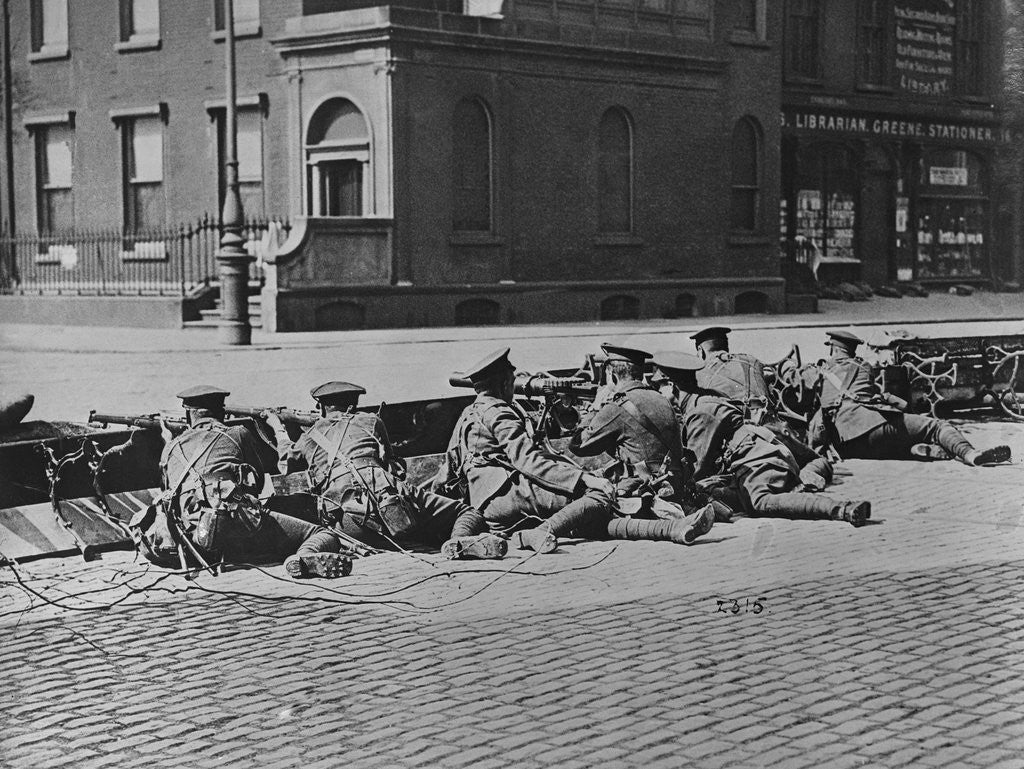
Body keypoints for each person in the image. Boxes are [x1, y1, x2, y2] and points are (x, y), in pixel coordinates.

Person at [432, 348, 715, 552]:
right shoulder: (500, 413)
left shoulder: (468, 414)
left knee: (587, 520)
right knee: (600, 496)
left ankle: (674, 529)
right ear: (505, 383)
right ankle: (538, 533)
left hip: (486, 505)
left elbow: (448, 471)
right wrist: (584, 478)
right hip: (509, 496)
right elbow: (529, 461)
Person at [268, 381, 505, 561]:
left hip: (348, 521)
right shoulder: (371, 421)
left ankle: (307, 555)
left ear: (321, 406)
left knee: (324, 534)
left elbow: (286, 464)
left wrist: (278, 428)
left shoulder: (310, 436)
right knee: (466, 512)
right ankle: (460, 542)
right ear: (354, 404)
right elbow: (391, 461)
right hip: (395, 509)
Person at [651, 352, 869, 527]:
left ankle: (842, 509)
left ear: (671, 385)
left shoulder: (702, 411)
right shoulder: (703, 401)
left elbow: (698, 469)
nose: (658, 394)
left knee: (759, 502)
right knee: (713, 492)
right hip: (757, 456)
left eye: (659, 386)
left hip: (759, 459)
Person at [154, 385, 350, 579]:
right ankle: (304, 557)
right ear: (222, 412)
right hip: (239, 525)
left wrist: (168, 442)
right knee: (323, 534)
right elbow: (258, 482)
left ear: (189, 415)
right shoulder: (238, 433)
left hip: (193, 533)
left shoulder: (170, 447)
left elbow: (167, 489)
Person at [807, 330, 1012, 466]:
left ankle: (918, 450)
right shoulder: (863, 367)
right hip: (869, 424)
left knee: (890, 442)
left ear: (833, 349)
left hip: (842, 444)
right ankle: (970, 454)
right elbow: (869, 395)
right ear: (851, 350)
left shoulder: (818, 371)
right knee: (935, 426)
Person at [569, 343, 687, 500]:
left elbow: (578, 446)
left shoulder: (617, 407)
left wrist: (596, 408)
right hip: (674, 485)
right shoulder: (662, 398)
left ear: (612, 375)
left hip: (645, 491)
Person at [691, 326, 771, 420]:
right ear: (726, 347)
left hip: (734, 423)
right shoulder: (751, 360)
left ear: (700, 351)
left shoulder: (699, 373)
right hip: (768, 418)